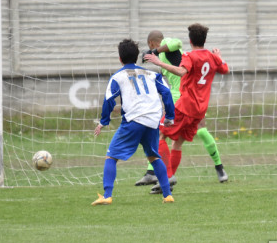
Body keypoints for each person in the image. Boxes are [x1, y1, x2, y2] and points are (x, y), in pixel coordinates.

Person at [136, 30, 228, 194]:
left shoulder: (177, 49)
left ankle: (166, 176)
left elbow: (176, 44)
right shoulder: (209, 56)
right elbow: (224, 68)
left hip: (183, 102)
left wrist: (155, 55)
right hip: (197, 105)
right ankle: (164, 179)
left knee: (159, 134)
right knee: (177, 142)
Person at [92, 38, 176, 205]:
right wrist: (169, 117)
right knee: (153, 156)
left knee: (111, 156)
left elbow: (109, 100)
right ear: (138, 56)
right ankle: (167, 195)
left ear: (120, 58)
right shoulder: (152, 74)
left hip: (134, 120)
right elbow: (166, 92)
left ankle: (107, 196)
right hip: (152, 120)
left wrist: (103, 121)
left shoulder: (118, 77)